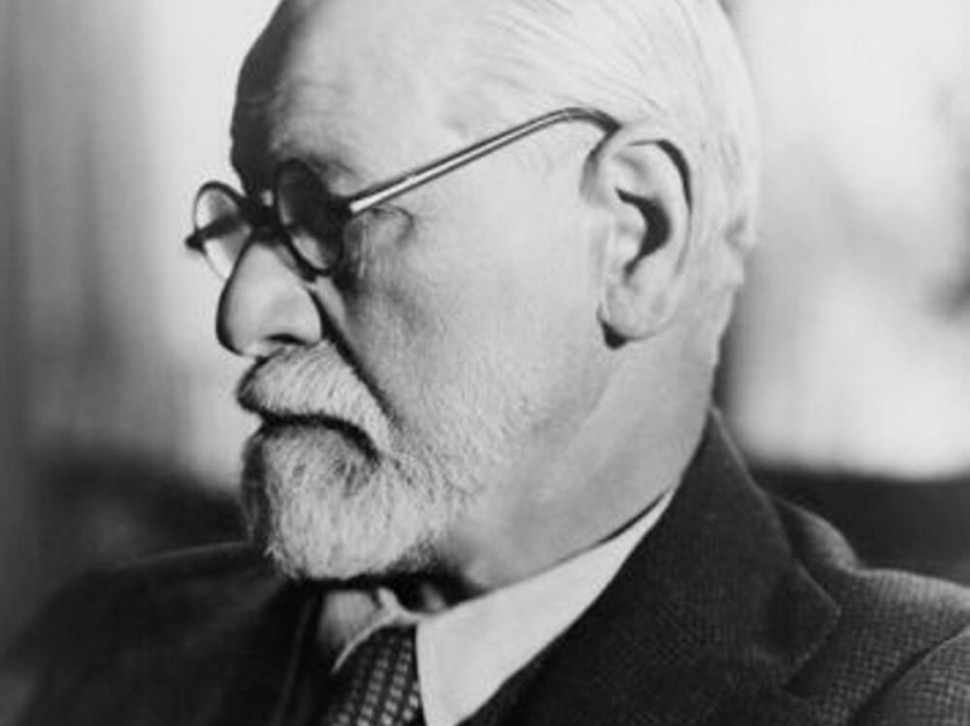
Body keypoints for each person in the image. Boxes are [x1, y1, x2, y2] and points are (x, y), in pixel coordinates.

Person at [4, 0, 970, 724]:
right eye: (253, 221)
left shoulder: (915, 696)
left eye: (328, 216)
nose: (243, 314)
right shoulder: (100, 651)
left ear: (636, 237)